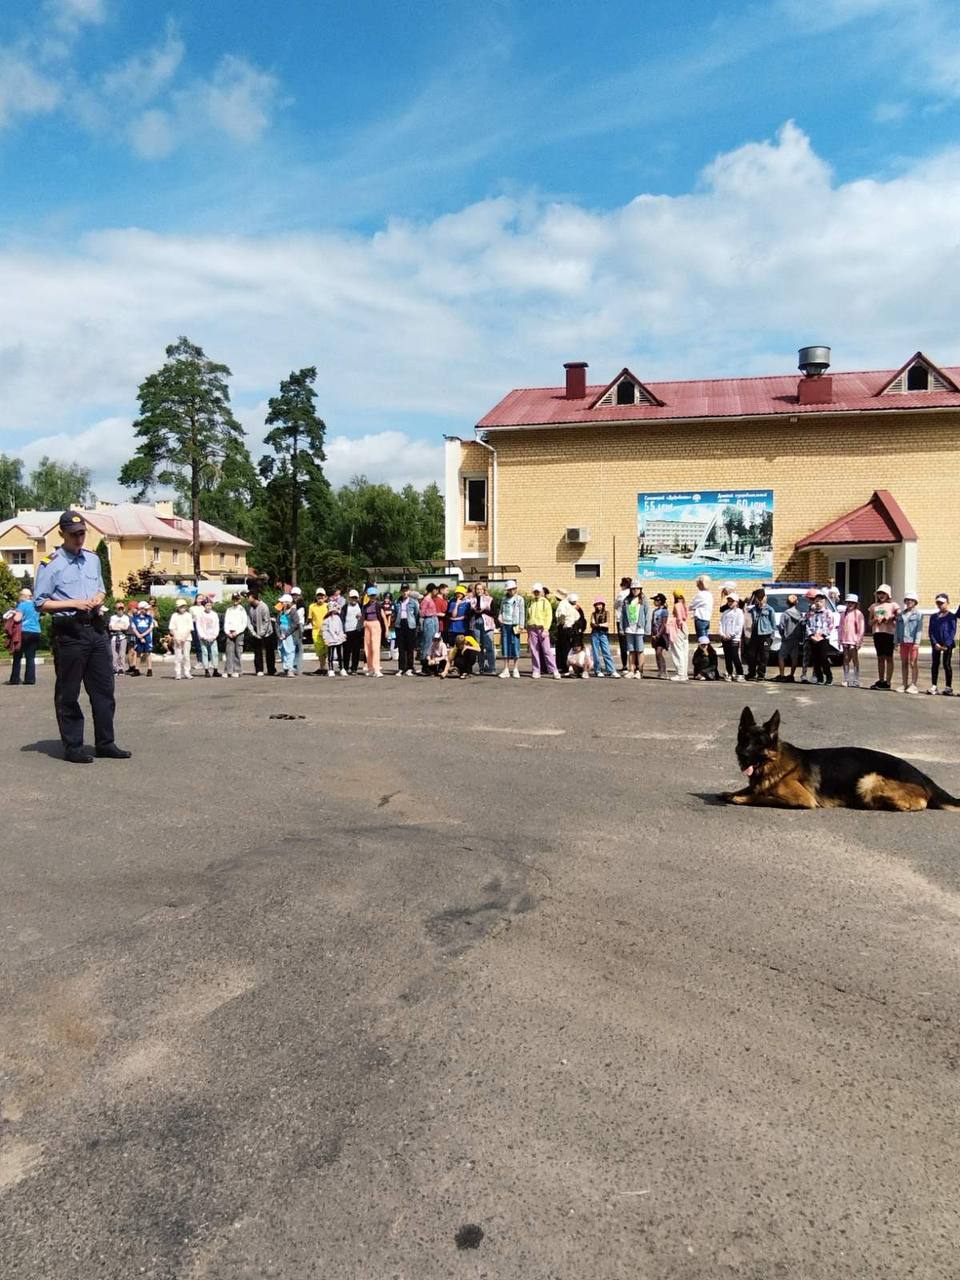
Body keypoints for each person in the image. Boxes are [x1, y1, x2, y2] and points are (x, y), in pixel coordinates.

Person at [32, 509, 130, 763]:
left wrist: (99, 597)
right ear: (62, 533)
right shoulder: (50, 563)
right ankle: (74, 746)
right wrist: (73, 603)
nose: (79, 539)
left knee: (104, 690)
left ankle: (106, 743)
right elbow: (40, 603)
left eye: (82, 533)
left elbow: (100, 588)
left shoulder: (92, 559)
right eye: (74, 534)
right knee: (69, 691)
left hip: (95, 628)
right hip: (70, 631)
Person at [7, 588, 42, 686]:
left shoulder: (22, 605)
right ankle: (30, 679)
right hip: (35, 632)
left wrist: (13, 614)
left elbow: (17, 619)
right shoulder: (36, 605)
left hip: (23, 632)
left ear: (22, 596)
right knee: (30, 657)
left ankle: (15, 679)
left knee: (17, 656)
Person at [868, 584, 900, 691]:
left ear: (888, 595)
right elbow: (869, 622)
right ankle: (881, 680)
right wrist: (875, 620)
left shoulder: (893, 605)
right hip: (878, 633)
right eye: (879, 593)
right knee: (880, 657)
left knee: (889, 657)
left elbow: (899, 616)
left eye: (883, 593)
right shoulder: (873, 606)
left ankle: (888, 681)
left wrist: (890, 617)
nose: (881, 595)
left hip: (889, 633)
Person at [525, 583, 560, 679]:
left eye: (538, 591)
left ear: (541, 592)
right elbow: (528, 615)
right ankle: (536, 670)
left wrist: (546, 629)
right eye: (535, 591)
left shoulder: (546, 602)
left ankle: (554, 670)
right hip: (532, 628)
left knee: (547, 650)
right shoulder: (530, 602)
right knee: (534, 650)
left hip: (542, 629)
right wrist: (527, 627)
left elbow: (548, 616)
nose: (536, 593)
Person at [619, 580, 649, 679]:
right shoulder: (626, 600)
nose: (635, 590)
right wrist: (622, 628)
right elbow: (623, 615)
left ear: (640, 589)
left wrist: (647, 628)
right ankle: (631, 670)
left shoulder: (644, 599)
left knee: (639, 650)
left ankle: (640, 671)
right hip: (629, 628)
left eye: (637, 588)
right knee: (631, 650)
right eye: (633, 589)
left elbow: (647, 614)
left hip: (639, 628)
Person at [745, 588, 776, 681]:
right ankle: (751, 673)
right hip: (754, 634)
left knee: (764, 656)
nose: (761, 600)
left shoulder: (769, 609)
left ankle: (761, 674)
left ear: (765, 598)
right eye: (759, 598)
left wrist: (771, 637)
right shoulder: (753, 609)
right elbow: (746, 613)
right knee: (751, 654)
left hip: (765, 635)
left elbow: (773, 624)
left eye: (762, 598)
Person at [929, 593, 956, 695]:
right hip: (936, 644)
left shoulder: (951, 617)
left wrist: (947, 644)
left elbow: (952, 631)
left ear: (947, 603)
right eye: (938, 603)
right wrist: (935, 643)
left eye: (942, 603)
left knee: (946, 664)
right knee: (935, 664)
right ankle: (934, 686)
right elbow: (931, 631)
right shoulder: (933, 617)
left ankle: (948, 687)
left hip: (946, 645)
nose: (940, 605)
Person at [895, 590, 922, 694]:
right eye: (907, 600)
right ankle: (904, 683)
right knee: (904, 663)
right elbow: (897, 629)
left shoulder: (918, 615)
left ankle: (913, 684)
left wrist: (917, 642)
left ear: (915, 602)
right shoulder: (901, 614)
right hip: (903, 642)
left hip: (913, 642)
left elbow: (919, 630)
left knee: (913, 663)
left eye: (912, 600)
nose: (909, 602)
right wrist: (896, 642)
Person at [497, 578, 525, 678]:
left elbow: (522, 612)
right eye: (509, 589)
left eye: (513, 589)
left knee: (515, 646)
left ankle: (516, 669)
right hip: (505, 624)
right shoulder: (504, 599)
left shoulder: (520, 599)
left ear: (516, 589)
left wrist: (522, 625)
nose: (511, 591)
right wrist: (500, 617)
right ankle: (506, 669)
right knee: (505, 646)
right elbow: (500, 611)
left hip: (515, 625)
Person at [804, 593, 834, 685]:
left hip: (823, 639)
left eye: (820, 601)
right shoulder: (810, 613)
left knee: (823, 658)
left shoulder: (828, 613)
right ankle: (819, 678)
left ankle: (829, 677)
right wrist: (811, 636)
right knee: (815, 659)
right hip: (812, 638)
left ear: (824, 602)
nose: (818, 603)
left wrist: (822, 636)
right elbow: (806, 625)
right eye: (816, 601)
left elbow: (830, 626)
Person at [468, 580, 497, 674]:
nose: (479, 590)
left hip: (487, 624)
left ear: (484, 590)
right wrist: (474, 611)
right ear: (475, 590)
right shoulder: (472, 600)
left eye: (481, 589)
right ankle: (481, 667)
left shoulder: (490, 599)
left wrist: (484, 611)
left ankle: (492, 668)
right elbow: (469, 614)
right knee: (479, 647)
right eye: (477, 589)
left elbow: (494, 613)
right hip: (476, 624)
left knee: (489, 646)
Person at [245, 590, 276, 677]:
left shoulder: (263, 607)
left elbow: (266, 621)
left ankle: (271, 670)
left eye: (249, 597)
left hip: (267, 632)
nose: (247, 599)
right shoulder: (250, 607)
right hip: (256, 631)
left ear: (254, 598)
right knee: (257, 652)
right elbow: (248, 621)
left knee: (269, 652)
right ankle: (259, 670)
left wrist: (261, 633)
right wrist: (253, 632)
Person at [775, 594, 804, 682]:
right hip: (796, 639)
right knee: (794, 658)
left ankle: (782, 675)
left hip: (787, 639)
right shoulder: (800, 614)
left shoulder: (785, 614)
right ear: (796, 603)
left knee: (781, 656)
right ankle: (791, 675)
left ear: (787, 603)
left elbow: (781, 626)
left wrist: (783, 635)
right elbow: (802, 626)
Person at [393, 583, 420, 676]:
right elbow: (395, 613)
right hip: (400, 625)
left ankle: (409, 668)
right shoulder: (397, 601)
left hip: (410, 625)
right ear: (401, 591)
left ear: (409, 591)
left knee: (410, 648)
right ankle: (401, 668)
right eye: (403, 591)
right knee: (401, 647)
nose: (405, 592)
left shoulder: (413, 602)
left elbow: (417, 614)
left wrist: (415, 624)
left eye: (406, 590)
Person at [839, 593, 865, 688]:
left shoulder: (858, 614)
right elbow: (840, 628)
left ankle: (856, 679)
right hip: (845, 640)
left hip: (853, 640)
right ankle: (846, 679)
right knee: (845, 658)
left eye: (852, 603)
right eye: (848, 602)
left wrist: (859, 640)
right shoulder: (843, 614)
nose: (850, 604)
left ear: (856, 604)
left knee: (855, 659)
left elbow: (861, 628)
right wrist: (840, 639)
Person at [590, 598, 619, 678]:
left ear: (603, 605)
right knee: (595, 653)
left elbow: (607, 624)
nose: (599, 606)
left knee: (606, 652)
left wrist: (599, 625)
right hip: (595, 634)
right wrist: (596, 625)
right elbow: (592, 623)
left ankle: (611, 670)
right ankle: (598, 670)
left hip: (603, 634)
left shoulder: (606, 613)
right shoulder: (593, 614)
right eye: (597, 605)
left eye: (600, 604)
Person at [362, 585, 387, 677]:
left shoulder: (378, 606)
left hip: (376, 625)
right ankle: (370, 668)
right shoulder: (365, 606)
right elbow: (363, 617)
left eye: (374, 595)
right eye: (371, 595)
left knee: (375, 648)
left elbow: (384, 618)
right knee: (367, 647)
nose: (372, 597)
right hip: (367, 625)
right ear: (368, 596)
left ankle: (377, 669)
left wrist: (386, 630)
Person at [719, 594, 745, 681]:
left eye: (732, 601)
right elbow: (721, 624)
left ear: (736, 602)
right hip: (725, 638)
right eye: (729, 601)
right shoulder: (725, 612)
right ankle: (729, 673)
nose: (730, 603)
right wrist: (722, 634)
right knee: (727, 657)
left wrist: (731, 635)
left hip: (734, 638)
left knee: (735, 656)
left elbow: (739, 626)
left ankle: (740, 673)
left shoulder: (739, 612)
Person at [168, 598, 195, 679]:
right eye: (180, 607)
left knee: (187, 656)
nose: (182, 608)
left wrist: (184, 637)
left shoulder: (188, 615)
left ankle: (187, 672)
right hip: (177, 638)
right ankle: (178, 673)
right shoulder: (174, 615)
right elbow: (172, 628)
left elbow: (190, 628)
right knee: (178, 657)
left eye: (183, 607)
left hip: (187, 638)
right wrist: (176, 638)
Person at [223, 593, 247, 678]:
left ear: (240, 600)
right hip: (229, 632)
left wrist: (237, 632)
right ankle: (228, 670)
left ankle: (237, 670)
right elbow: (226, 622)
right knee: (229, 652)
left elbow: (244, 623)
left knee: (237, 652)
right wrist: (227, 632)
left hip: (239, 633)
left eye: (237, 599)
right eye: (234, 599)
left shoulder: (242, 610)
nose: (235, 601)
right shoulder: (229, 610)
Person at [667, 591, 689, 682]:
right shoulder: (684, 604)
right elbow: (685, 616)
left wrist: (677, 623)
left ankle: (680, 674)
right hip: (685, 627)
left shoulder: (677, 605)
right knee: (684, 652)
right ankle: (684, 673)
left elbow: (679, 618)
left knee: (677, 651)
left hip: (678, 628)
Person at [129, 600, 155, 677]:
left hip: (147, 637)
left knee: (148, 653)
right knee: (138, 653)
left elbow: (150, 628)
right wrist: (139, 636)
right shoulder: (135, 618)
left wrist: (143, 635)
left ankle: (149, 669)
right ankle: (137, 669)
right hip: (138, 637)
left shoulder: (149, 618)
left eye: (147, 609)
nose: (147, 610)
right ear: (141, 609)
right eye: (145, 609)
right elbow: (134, 628)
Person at [275, 593, 299, 676]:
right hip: (281, 634)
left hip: (289, 635)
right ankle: (285, 668)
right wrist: (279, 634)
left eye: (283, 602)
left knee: (290, 651)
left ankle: (290, 669)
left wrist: (286, 634)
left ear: (288, 602)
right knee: (282, 651)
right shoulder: (281, 612)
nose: (281, 604)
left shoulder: (293, 611)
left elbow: (295, 624)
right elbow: (277, 623)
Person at [196, 597, 222, 676]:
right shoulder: (200, 615)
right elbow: (199, 626)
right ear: (204, 606)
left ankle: (215, 670)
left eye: (210, 605)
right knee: (205, 653)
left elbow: (217, 626)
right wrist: (203, 636)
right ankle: (206, 670)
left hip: (213, 637)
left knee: (215, 653)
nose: (209, 607)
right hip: (204, 637)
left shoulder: (214, 614)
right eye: (207, 605)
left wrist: (214, 636)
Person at [341, 589, 364, 673]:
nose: (354, 599)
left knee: (356, 651)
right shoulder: (345, 607)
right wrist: (342, 631)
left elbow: (365, 617)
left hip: (357, 632)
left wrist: (361, 616)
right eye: (352, 597)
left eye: (355, 598)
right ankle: (346, 668)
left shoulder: (361, 606)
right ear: (349, 598)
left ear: (357, 598)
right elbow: (342, 619)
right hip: (347, 631)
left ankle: (354, 668)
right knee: (346, 651)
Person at [106, 600, 130, 677]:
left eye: (122, 608)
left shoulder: (126, 617)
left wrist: (117, 627)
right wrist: (119, 627)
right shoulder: (112, 617)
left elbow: (126, 627)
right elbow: (111, 627)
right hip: (114, 637)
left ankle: (121, 668)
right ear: (116, 609)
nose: (120, 610)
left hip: (122, 637)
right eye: (119, 608)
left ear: (124, 609)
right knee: (114, 654)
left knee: (122, 653)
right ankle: (115, 668)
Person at [321, 603, 347, 676]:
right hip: (330, 639)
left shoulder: (338, 618)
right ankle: (331, 669)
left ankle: (342, 668)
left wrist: (342, 635)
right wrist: (325, 638)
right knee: (331, 655)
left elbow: (340, 628)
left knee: (340, 654)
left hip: (338, 639)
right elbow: (324, 630)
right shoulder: (326, 620)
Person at [309, 588, 329, 675]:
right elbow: (310, 619)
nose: (320, 597)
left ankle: (328, 667)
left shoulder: (328, 605)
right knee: (320, 650)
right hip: (316, 631)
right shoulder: (312, 606)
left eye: (322, 596)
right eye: (318, 595)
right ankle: (322, 667)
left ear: (325, 597)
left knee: (327, 649)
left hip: (327, 631)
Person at [615, 576, 632, 671]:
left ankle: (625, 665)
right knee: (632, 643)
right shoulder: (633, 594)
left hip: (621, 620)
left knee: (623, 644)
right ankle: (633, 665)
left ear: (623, 585)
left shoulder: (621, 594)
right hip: (632, 621)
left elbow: (615, 606)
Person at [650, 593, 668, 678]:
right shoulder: (655, 611)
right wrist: (652, 634)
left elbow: (664, 624)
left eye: (655, 600)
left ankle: (664, 671)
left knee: (659, 652)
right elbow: (653, 623)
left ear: (660, 601)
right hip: (654, 635)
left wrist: (658, 634)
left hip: (661, 635)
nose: (654, 602)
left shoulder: (664, 611)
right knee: (656, 653)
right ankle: (659, 670)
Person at [690, 575, 714, 641]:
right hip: (707, 619)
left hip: (700, 619)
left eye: (698, 584)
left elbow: (691, 606)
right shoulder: (709, 594)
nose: (697, 585)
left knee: (702, 640)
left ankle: (708, 651)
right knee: (705, 638)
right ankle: (708, 651)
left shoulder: (700, 594)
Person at [289, 587, 306, 674]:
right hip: (290, 626)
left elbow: (298, 617)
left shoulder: (301, 604)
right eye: (293, 594)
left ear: (300, 595)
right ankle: (291, 665)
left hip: (298, 626)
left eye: (296, 595)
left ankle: (297, 667)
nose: (294, 596)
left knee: (298, 647)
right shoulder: (289, 603)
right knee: (290, 647)